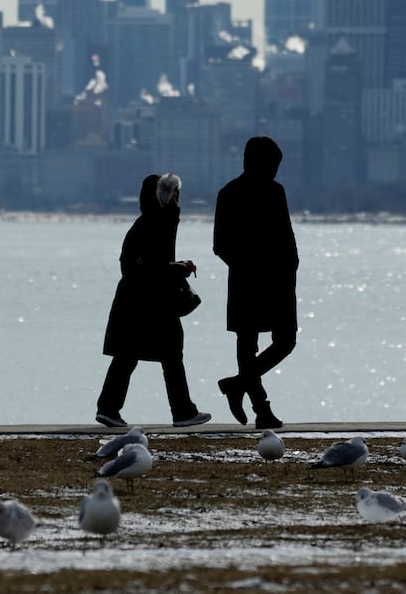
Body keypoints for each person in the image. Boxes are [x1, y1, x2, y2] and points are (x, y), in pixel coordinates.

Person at [95, 173, 211, 428]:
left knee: (129, 355)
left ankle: (109, 408)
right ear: (165, 197)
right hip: (150, 302)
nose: (178, 200)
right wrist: (177, 269)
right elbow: (147, 266)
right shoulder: (156, 223)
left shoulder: (151, 222)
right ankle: (182, 412)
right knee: (166, 354)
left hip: (138, 301)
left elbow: (144, 263)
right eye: (175, 195)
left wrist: (175, 266)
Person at [212, 136, 298, 430]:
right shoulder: (231, 193)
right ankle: (261, 409)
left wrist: (291, 268)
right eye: (271, 165)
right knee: (248, 343)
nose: (274, 171)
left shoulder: (274, 191)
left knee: (283, 341)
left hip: (273, 280)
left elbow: (287, 238)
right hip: (251, 280)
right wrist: (251, 265)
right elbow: (220, 244)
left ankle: (238, 385)